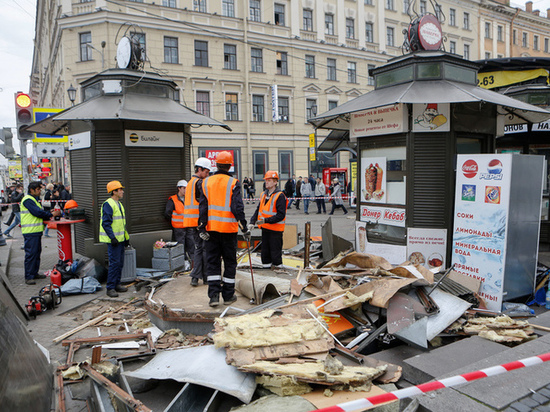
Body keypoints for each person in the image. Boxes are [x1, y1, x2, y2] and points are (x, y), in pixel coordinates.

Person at [198, 151, 249, 307]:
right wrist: (244, 226)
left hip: (211, 229)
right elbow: (237, 207)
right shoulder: (234, 183)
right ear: (229, 165)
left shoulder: (206, 182)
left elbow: (203, 207)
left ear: (216, 164)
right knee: (229, 263)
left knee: (212, 262)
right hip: (229, 230)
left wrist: (201, 227)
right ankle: (228, 296)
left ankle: (213, 296)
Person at [21, 182, 61, 285]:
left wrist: (48, 213)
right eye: (38, 189)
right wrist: (51, 214)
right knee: (31, 254)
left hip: (36, 231)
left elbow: (40, 212)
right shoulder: (28, 200)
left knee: (36, 253)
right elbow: (37, 213)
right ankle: (29, 276)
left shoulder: (34, 200)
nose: (40, 191)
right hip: (30, 232)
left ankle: (34, 273)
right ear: (32, 190)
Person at [249, 171, 287, 269]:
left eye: (269, 180)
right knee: (265, 252)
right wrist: (252, 221)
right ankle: (266, 268)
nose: (266, 182)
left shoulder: (280, 196)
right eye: (266, 180)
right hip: (265, 228)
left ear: (275, 182)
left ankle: (277, 268)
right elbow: (258, 209)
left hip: (275, 230)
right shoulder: (264, 195)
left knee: (275, 251)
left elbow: (281, 215)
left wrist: (266, 220)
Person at [99, 180, 130, 298]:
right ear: (114, 191)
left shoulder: (118, 204)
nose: (122, 191)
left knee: (119, 263)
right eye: (120, 189)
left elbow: (122, 224)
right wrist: (112, 238)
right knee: (114, 263)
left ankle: (117, 284)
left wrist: (126, 238)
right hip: (114, 241)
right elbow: (106, 223)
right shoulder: (108, 204)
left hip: (120, 240)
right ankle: (110, 287)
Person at [187, 157, 211, 287]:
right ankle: (202, 276)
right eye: (206, 172)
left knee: (198, 248)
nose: (207, 175)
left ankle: (197, 277)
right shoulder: (199, 183)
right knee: (203, 249)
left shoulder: (190, 182)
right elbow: (204, 202)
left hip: (192, 220)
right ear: (200, 169)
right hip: (199, 221)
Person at [164, 179, 189, 247]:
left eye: (187, 188)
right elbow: (167, 214)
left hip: (189, 226)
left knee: (191, 245)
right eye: (184, 188)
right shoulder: (173, 200)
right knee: (180, 246)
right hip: (179, 228)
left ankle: (190, 257)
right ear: (179, 188)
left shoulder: (189, 199)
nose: (185, 190)